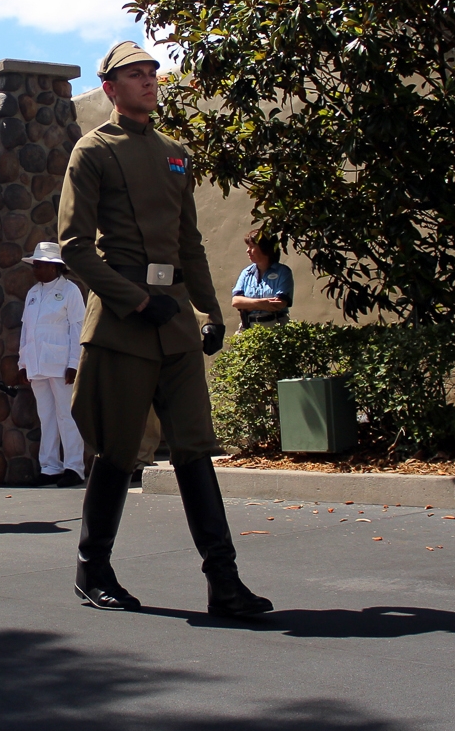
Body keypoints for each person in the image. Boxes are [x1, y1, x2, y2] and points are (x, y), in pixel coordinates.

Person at [58, 40, 273, 619]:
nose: (151, 80)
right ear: (111, 88)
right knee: (117, 452)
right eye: (136, 74)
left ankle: (224, 583)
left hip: (174, 321)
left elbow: (189, 243)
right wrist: (133, 301)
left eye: (153, 71)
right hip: (126, 326)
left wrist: (210, 310)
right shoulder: (92, 151)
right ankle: (92, 570)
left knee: (195, 451)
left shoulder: (176, 153)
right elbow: (76, 248)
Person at [15, 241, 85, 487]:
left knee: (67, 415)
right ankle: (50, 467)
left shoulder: (70, 291)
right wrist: (23, 363)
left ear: (55, 267)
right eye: (35, 264)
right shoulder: (33, 293)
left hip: (61, 364)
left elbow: (78, 328)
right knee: (46, 417)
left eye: (41, 265)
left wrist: (75, 362)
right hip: (36, 364)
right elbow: (27, 330)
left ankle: (74, 467)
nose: (36, 269)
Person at [231, 230, 294, 329]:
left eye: (252, 247)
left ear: (265, 248)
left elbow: (280, 303)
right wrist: (262, 304)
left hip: (276, 327)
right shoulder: (246, 273)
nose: (247, 251)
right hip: (248, 327)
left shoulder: (283, 272)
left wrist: (248, 306)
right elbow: (236, 301)